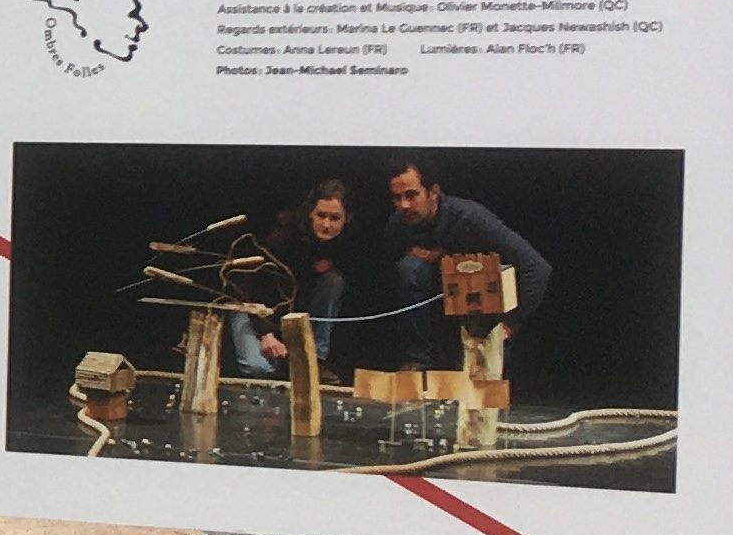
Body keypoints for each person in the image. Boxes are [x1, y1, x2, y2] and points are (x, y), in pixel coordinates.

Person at [377, 158, 551, 370]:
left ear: (433, 192)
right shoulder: (398, 225)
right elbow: (384, 275)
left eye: (412, 196)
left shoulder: (470, 219)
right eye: (397, 197)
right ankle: (417, 359)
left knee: (473, 383)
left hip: (481, 317)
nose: (403, 205)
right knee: (409, 268)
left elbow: (536, 268)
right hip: (436, 314)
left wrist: (510, 324)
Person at [226, 179, 351, 378]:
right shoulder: (283, 239)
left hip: (289, 310)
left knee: (333, 281)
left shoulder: (345, 245)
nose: (326, 224)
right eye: (321, 215)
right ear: (311, 213)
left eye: (334, 218)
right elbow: (251, 288)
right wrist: (265, 334)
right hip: (251, 306)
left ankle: (315, 358)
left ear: (347, 219)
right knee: (259, 367)